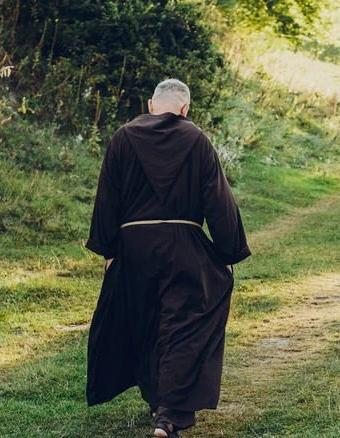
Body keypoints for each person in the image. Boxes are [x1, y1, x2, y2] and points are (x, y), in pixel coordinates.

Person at [84, 79, 251, 437]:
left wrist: (109, 251)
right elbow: (218, 200)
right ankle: (169, 414)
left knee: (145, 323)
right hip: (182, 243)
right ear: (185, 109)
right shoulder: (195, 139)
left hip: (133, 247)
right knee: (185, 322)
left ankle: (158, 401)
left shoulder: (123, 137)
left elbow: (107, 199)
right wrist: (227, 250)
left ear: (150, 105)